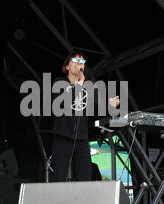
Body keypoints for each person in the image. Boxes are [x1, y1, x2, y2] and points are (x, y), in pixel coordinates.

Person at [51, 51, 119, 182]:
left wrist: (109, 105)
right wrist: (80, 82)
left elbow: (95, 108)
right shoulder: (59, 83)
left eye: (81, 62)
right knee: (59, 178)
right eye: (75, 60)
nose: (79, 63)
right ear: (67, 67)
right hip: (62, 137)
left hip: (82, 139)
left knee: (85, 178)